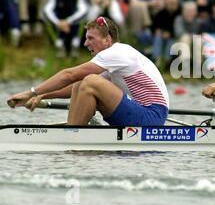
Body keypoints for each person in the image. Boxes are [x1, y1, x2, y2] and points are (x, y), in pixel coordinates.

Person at [7, 16, 169, 126]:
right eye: (86, 38)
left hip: (152, 116)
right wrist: (43, 95)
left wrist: (31, 92)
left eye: (90, 38)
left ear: (107, 40)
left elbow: (69, 75)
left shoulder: (117, 53)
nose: (85, 43)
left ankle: (74, 134)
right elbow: (74, 84)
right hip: (140, 111)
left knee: (89, 81)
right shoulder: (113, 60)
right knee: (82, 83)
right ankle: (76, 130)